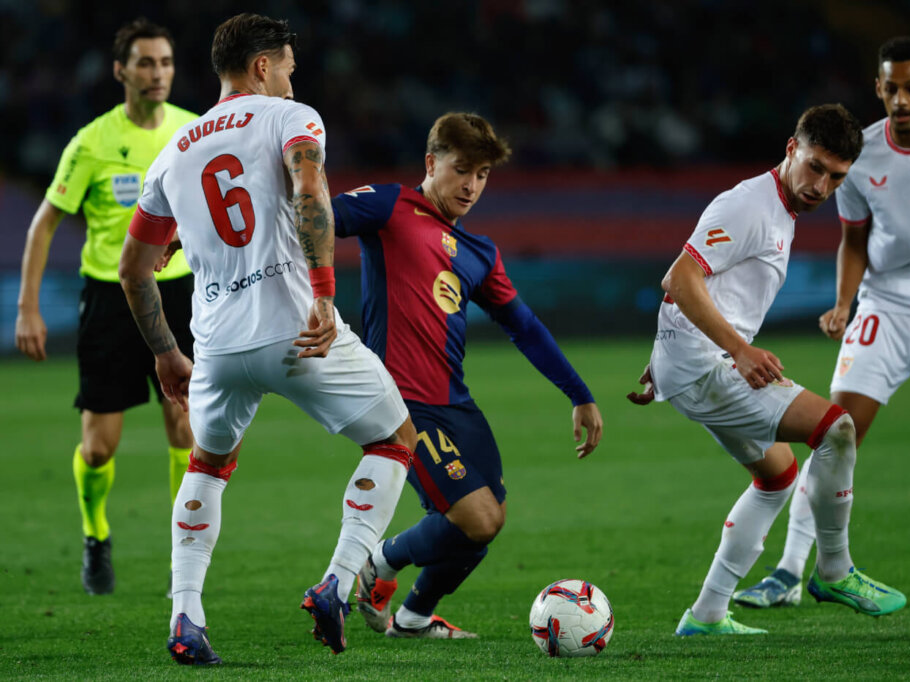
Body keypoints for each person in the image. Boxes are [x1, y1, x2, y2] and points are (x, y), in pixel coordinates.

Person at [118, 13, 418, 665]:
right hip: (294, 328)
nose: (291, 79)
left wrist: (165, 350)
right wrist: (324, 293)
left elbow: (133, 268)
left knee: (207, 465)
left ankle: (185, 617)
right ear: (262, 66)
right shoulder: (292, 118)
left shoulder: (174, 151)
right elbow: (310, 189)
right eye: (286, 66)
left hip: (217, 345)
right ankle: (337, 581)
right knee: (395, 441)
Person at [735, 37, 910, 611]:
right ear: (879, 89)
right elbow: (854, 238)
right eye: (891, 87)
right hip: (887, 302)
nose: (901, 98)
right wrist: (845, 301)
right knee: (836, 428)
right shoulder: (860, 157)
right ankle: (790, 571)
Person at [628, 104, 907, 636]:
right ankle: (834, 569)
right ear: (790, 149)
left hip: (691, 363)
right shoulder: (749, 205)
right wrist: (737, 349)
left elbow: (709, 288)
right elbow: (679, 278)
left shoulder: (781, 208)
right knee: (837, 428)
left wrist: (663, 356)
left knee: (777, 477)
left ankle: (707, 614)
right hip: (709, 367)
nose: (822, 186)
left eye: (836, 177)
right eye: (815, 167)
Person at [331, 112, 603, 639]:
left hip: (456, 402)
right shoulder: (390, 207)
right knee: (475, 517)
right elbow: (312, 216)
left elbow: (523, 326)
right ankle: (377, 564)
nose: (472, 186)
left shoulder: (480, 253)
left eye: (482, 175)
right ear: (431, 163)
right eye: (462, 170)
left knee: (486, 522)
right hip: (402, 403)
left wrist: (580, 394)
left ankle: (411, 619)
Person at [14, 18, 197, 596]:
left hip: (181, 294)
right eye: (146, 63)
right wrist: (28, 308)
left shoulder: (194, 132)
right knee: (99, 447)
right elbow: (43, 225)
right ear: (121, 71)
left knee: (186, 430)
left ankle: (183, 552)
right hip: (110, 295)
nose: (157, 73)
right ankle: (96, 534)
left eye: (165, 62)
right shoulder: (92, 142)